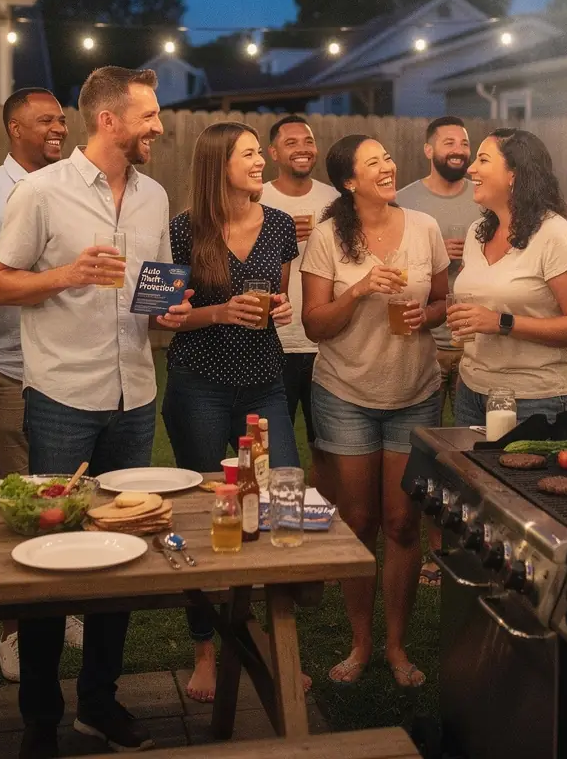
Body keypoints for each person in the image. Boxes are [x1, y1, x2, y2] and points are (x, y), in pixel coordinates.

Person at [0, 67, 191, 759]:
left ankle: (99, 705)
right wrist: (66, 276)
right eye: (149, 116)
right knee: (49, 561)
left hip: (135, 396)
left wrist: (170, 307)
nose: (158, 127)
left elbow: (153, 292)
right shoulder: (40, 193)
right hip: (62, 401)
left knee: (125, 553)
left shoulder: (154, 196)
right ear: (109, 121)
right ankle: (38, 719)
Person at [301, 134, 449, 689]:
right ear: (348, 181)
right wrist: (360, 289)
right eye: (373, 163)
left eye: (388, 156)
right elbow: (315, 324)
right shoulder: (327, 238)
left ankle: (396, 646)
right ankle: (361, 643)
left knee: (403, 522)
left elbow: (441, 299)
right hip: (345, 394)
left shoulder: (425, 227)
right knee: (359, 521)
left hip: (413, 393)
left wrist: (427, 317)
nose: (388, 166)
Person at [161, 121, 301, 704]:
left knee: (281, 508)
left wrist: (282, 306)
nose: (259, 162)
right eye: (248, 154)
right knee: (205, 516)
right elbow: (164, 318)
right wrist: (219, 313)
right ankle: (205, 651)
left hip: (266, 384)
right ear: (219, 164)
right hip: (199, 387)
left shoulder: (280, 226)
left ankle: (277, 644)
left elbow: (280, 299)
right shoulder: (182, 231)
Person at [0, 87, 78, 683]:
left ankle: (62, 607)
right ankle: (14, 629)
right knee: (16, 499)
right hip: (7, 365)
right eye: (44, 121)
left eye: (61, 119)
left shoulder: (72, 189)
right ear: (13, 128)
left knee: (65, 491)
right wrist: (50, 270)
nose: (58, 128)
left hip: (66, 368)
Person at [448, 129, 567, 427]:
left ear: (513, 174)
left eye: (483, 160)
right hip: (472, 391)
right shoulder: (477, 232)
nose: (470, 168)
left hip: (537, 399)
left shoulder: (557, 236)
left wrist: (501, 322)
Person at [395, 115, 478, 587]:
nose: (458, 148)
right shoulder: (405, 200)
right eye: (448, 141)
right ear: (429, 150)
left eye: (464, 142)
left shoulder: (485, 196)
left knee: (466, 453)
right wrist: (434, 258)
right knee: (427, 451)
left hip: (473, 342)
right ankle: (434, 552)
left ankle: (472, 544)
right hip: (425, 340)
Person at [259, 114, 339, 498]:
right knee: (272, 446)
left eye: (307, 141)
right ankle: (272, 511)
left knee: (327, 445)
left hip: (325, 343)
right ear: (273, 152)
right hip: (276, 340)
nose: (302, 148)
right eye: (291, 143)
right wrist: (280, 233)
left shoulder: (333, 200)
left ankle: (327, 517)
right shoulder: (257, 198)